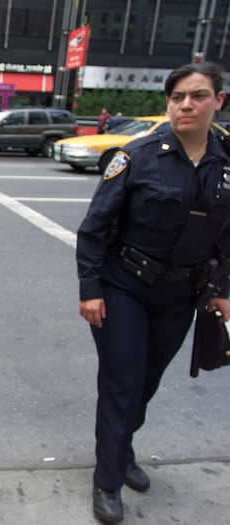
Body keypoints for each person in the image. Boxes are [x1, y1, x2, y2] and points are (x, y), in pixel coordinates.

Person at [76, 61, 230, 523]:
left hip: (182, 296)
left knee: (146, 382)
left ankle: (121, 451)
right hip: (124, 288)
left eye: (198, 95)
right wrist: (90, 289)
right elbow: (94, 228)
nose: (187, 104)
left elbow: (227, 235)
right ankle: (107, 481)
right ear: (169, 102)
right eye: (178, 96)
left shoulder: (227, 163)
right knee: (122, 382)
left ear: (218, 101)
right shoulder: (138, 156)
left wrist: (221, 288)